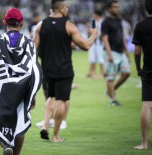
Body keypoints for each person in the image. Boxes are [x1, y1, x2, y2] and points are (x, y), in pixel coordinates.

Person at [0, 7, 41, 155]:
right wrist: (32, 94)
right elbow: (32, 69)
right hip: (22, 89)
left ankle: (6, 144)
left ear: (5, 22)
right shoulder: (29, 43)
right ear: (22, 23)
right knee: (20, 121)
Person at [34, 0, 97, 142]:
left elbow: (33, 48)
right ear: (61, 8)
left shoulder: (41, 25)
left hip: (47, 69)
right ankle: (56, 136)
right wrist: (93, 34)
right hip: (64, 69)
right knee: (62, 100)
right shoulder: (69, 25)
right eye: (66, 6)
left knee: (51, 97)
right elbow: (86, 46)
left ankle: (45, 125)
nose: (67, 9)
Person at [132, 0, 152, 150]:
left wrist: (138, 68)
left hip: (149, 70)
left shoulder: (140, 26)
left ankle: (144, 143)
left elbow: (137, 52)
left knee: (147, 105)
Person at [101, 0, 131, 106]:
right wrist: (109, 54)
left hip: (120, 51)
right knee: (110, 76)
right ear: (109, 8)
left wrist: (127, 51)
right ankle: (112, 100)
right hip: (111, 52)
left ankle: (110, 91)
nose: (117, 9)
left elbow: (122, 37)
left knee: (127, 73)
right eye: (114, 7)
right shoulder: (105, 22)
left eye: (117, 7)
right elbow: (104, 38)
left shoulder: (119, 21)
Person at [87, 10, 105, 79]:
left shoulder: (103, 22)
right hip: (93, 42)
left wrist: (97, 35)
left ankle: (103, 73)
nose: (93, 16)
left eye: (94, 14)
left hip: (100, 43)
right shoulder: (94, 21)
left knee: (100, 58)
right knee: (92, 58)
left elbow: (104, 33)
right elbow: (91, 31)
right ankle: (92, 73)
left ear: (97, 14)